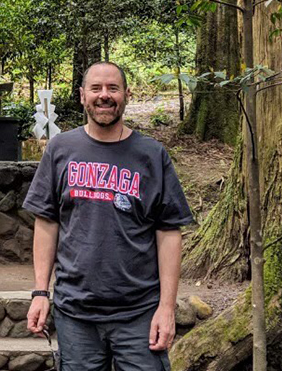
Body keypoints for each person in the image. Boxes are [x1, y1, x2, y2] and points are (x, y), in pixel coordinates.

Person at [23, 61, 193, 370]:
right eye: (96, 88)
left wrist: (167, 308)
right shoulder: (60, 150)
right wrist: (39, 292)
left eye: (113, 88)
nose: (104, 95)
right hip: (76, 312)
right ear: (81, 95)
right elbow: (47, 222)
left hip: (139, 312)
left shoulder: (152, 155)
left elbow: (168, 232)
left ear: (127, 94)